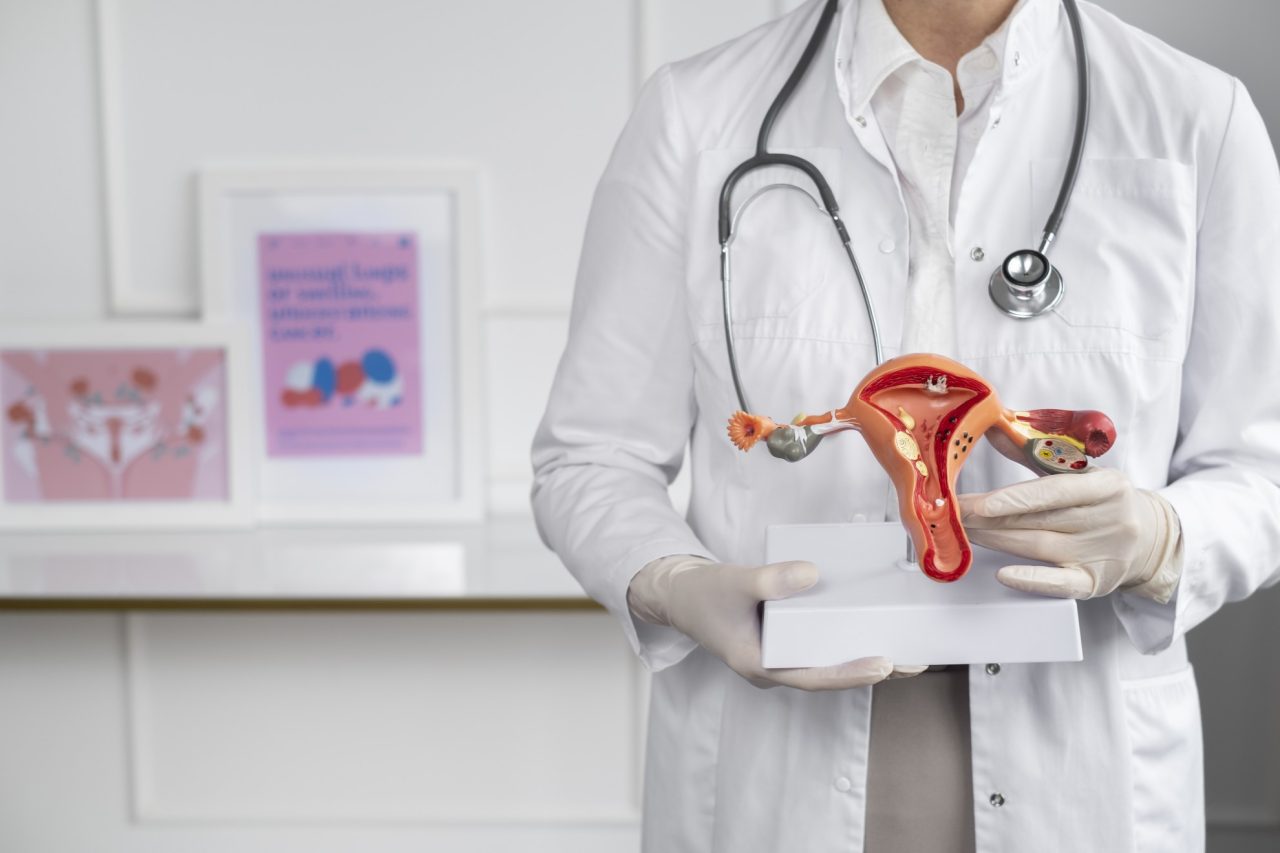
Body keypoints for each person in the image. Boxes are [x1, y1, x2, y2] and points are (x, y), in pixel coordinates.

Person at [530, 0, 1280, 849]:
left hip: (1081, 762)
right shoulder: (695, 114)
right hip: (773, 759)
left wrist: (1164, 539)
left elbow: (1262, 469)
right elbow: (590, 455)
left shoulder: (1197, 118)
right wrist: (672, 581)